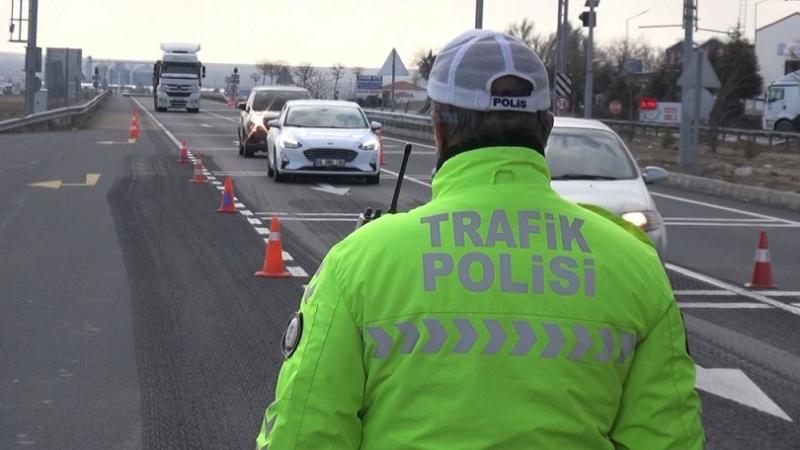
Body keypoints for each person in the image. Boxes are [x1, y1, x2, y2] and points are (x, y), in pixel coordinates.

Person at [256, 29, 704, 449]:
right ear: (546, 127)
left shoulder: (360, 263)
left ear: (439, 126)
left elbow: (301, 436)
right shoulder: (634, 267)